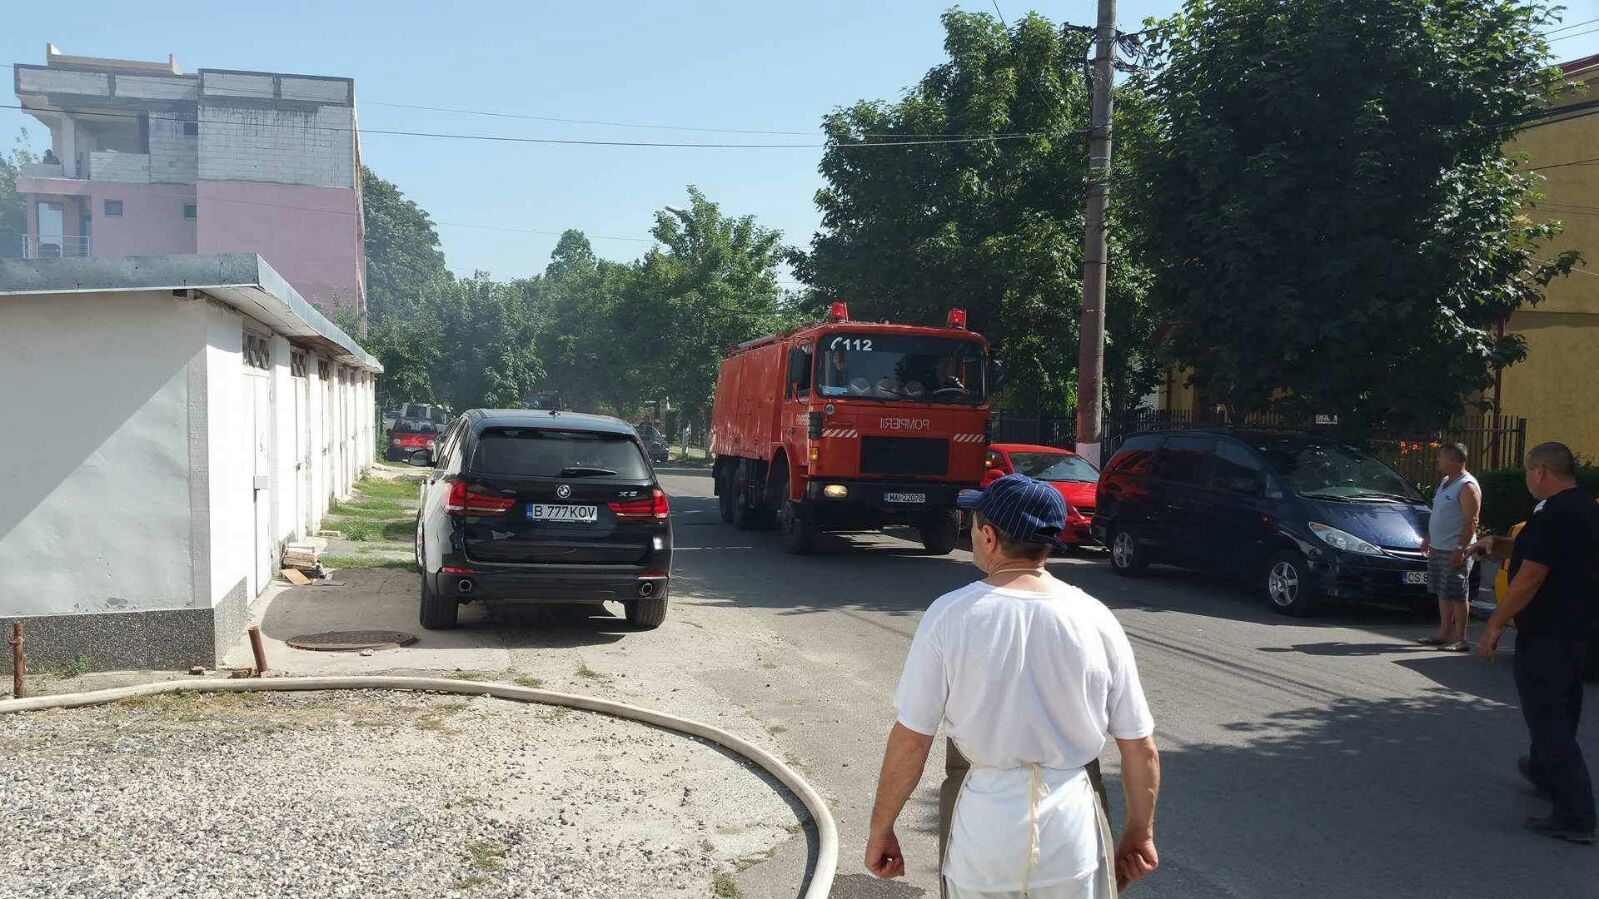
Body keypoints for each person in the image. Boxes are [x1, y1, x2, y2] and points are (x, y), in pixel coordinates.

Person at [864, 474, 1162, 897]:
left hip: (984, 830)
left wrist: (882, 828)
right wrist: (1139, 833)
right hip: (1071, 830)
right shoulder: (1096, 618)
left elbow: (912, 740)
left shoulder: (950, 615)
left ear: (988, 537)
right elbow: (1140, 747)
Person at [1471, 442, 1598, 844]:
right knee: (1562, 709)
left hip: (1547, 633)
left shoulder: (1555, 514)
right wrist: (1497, 544)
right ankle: (1544, 771)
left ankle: (1575, 815)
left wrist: (1494, 624)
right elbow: (1538, 555)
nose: (1527, 478)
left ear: (1541, 471)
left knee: (1549, 719)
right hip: (1577, 631)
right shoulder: (1584, 507)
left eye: (1528, 471)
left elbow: (1532, 575)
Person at [1420, 443, 1480, 652]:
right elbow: (1438, 513)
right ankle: (1444, 633)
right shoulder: (1446, 481)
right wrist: (1428, 538)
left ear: (1455, 460)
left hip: (1455, 549)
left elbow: (1471, 521)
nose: (1438, 460)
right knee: (1443, 592)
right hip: (1438, 547)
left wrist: (1461, 549)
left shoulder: (1467, 486)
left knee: (1457, 593)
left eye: (1442, 457)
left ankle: (1460, 639)